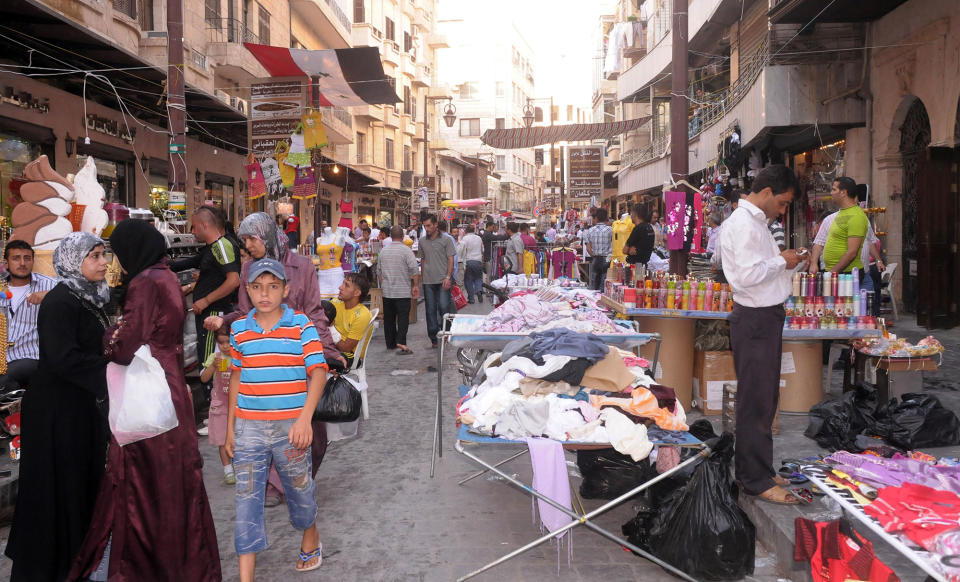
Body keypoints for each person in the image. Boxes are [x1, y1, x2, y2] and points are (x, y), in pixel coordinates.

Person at [71, 220, 221, 580]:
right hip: (170, 390)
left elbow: (123, 347)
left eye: (116, 253)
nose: (114, 262)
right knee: (175, 482)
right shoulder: (166, 276)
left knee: (144, 484)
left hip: (149, 396)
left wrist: (108, 335)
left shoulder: (143, 283)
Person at [205, 212, 344, 506]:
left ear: (266, 235)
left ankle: (296, 476)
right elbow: (245, 313)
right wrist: (224, 321)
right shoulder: (247, 271)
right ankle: (273, 484)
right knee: (267, 422)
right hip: (263, 358)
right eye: (244, 240)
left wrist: (329, 352)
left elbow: (315, 311)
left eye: (250, 239)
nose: (247, 246)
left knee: (314, 432)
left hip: (299, 353)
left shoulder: (303, 266)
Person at [5, 233, 111, 582]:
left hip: (78, 407)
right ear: (73, 260)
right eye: (94, 256)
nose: (103, 262)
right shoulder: (61, 301)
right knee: (56, 486)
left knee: (76, 484)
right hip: (56, 412)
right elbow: (63, 358)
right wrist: (110, 371)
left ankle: (77, 558)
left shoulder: (89, 297)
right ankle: (52, 566)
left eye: (103, 254)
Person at [225, 258, 327, 579]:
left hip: (291, 428)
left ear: (286, 289)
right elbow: (236, 380)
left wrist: (304, 419)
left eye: (272, 287)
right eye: (256, 287)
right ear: (247, 290)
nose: (264, 294)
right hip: (249, 429)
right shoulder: (239, 329)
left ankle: (310, 535)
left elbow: (319, 372)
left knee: (299, 492)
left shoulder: (301, 325)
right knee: (246, 501)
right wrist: (230, 430)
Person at [719, 164, 806, 506]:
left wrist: (790, 261)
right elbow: (744, 276)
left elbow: (764, 271)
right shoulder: (742, 224)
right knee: (755, 399)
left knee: (765, 397)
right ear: (768, 193)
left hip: (765, 317)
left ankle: (762, 469)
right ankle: (753, 478)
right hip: (754, 319)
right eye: (783, 203)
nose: (784, 210)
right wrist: (782, 261)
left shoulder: (758, 224)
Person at [171, 206, 241, 378]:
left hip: (214, 314)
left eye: (194, 227)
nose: (192, 231)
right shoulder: (211, 248)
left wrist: (206, 301)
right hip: (208, 314)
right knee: (207, 362)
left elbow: (233, 280)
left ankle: (215, 402)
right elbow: (185, 264)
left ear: (204, 225)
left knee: (210, 365)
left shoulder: (222, 245)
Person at [0, 239, 56, 392]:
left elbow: (77, 293)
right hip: (3, 359)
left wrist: (50, 296)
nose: (22, 263)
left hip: (32, 357)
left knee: (7, 376)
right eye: (16, 258)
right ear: (5, 263)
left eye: (27, 258)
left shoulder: (50, 285)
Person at [200, 327, 236, 485]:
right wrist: (213, 366)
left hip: (238, 406)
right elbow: (203, 378)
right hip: (220, 406)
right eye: (221, 343)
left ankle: (240, 467)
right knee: (222, 440)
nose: (226, 346)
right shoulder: (215, 357)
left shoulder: (239, 358)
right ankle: (228, 470)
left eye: (229, 342)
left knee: (240, 439)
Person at [378, 226, 420, 354]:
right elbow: (414, 269)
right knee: (403, 317)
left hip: (387, 291)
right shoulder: (406, 251)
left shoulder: (384, 251)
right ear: (402, 236)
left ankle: (390, 343)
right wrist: (415, 285)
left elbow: (378, 272)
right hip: (402, 291)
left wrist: (384, 284)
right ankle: (401, 341)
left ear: (390, 236)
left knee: (389, 318)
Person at [419, 213, 456, 348]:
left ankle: (446, 331)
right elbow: (422, 260)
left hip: (443, 280)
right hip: (428, 281)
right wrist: (423, 279)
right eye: (425, 226)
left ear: (435, 225)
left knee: (444, 306)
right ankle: (434, 337)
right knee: (430, 310)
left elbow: (450, 259)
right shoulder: (422, 241)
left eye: (429, 225)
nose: (427, 228)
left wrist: (448, 277)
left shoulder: (446, 240)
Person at [821, 177, 869, 275]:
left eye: (834, 189)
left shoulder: (856, 216)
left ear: (843, 193)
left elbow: (852, 253)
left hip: (847, 274)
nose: (831, 193)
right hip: (837, 272)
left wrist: (832, 273)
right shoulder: (843, 212)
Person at [331, 272, 373, 367]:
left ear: (357, 293)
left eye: (346, 285)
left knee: (314, 359)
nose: (340, 287)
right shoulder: (335, 303)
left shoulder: (362, 315)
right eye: (343, 283)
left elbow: (346, 348)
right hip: (333, 348)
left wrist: (330, 328)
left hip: (350, 356)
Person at [583, 207, 613, 291]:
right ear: (606, 217)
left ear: (596, 218)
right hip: (607, 259)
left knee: (594, 283)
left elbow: (588, 249)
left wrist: (594, 255)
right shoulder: (611, 230)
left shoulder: (590, 231)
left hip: (596, 259)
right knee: (605, 282)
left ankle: (594, 300)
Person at [458, 224, 484, 303]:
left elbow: (462, 250)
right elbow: (482, 250)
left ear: (466, 231)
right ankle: (479, 290)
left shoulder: (464, 239)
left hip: (469, 261)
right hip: (478, 260)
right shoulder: (479, 238)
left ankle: (471, 299)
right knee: (478, 278)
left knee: (468, 280)